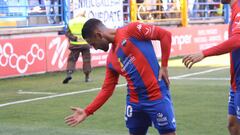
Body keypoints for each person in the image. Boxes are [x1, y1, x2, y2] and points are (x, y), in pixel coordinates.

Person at [65, 18, 177, 135]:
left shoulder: (132, 30)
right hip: (134, 103)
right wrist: (87, 111)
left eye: (93, 44)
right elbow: (107, 89)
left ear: (98, 35)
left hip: (156, 96)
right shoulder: (111, 60)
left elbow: (165, 35)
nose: (95, 48)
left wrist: (164, 66)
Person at [182, 0, 240, 134]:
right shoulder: (234, 9)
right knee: (232, 124)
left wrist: (204, 53)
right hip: (236, 82)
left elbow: (237, 40)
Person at [62, 11, 92, 84]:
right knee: (86, 60)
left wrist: (73, 38)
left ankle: (69, 73)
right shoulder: (87, 21)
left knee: (72, 60)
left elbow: (67, 33)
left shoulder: (71, 21)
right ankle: (87, 77)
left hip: (75, 44)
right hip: (85, 44)